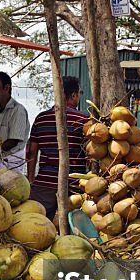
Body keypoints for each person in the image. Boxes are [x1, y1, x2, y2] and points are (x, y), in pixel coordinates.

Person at [25, 76, 89, 219]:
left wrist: (31, 180)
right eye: (79, 94)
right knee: (73, 230)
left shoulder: (41, 118)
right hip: (73, 185)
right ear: (73, 95)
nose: (79, 97)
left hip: (43, 185)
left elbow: (31, 152)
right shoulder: (83, 120)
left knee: (39, 226)